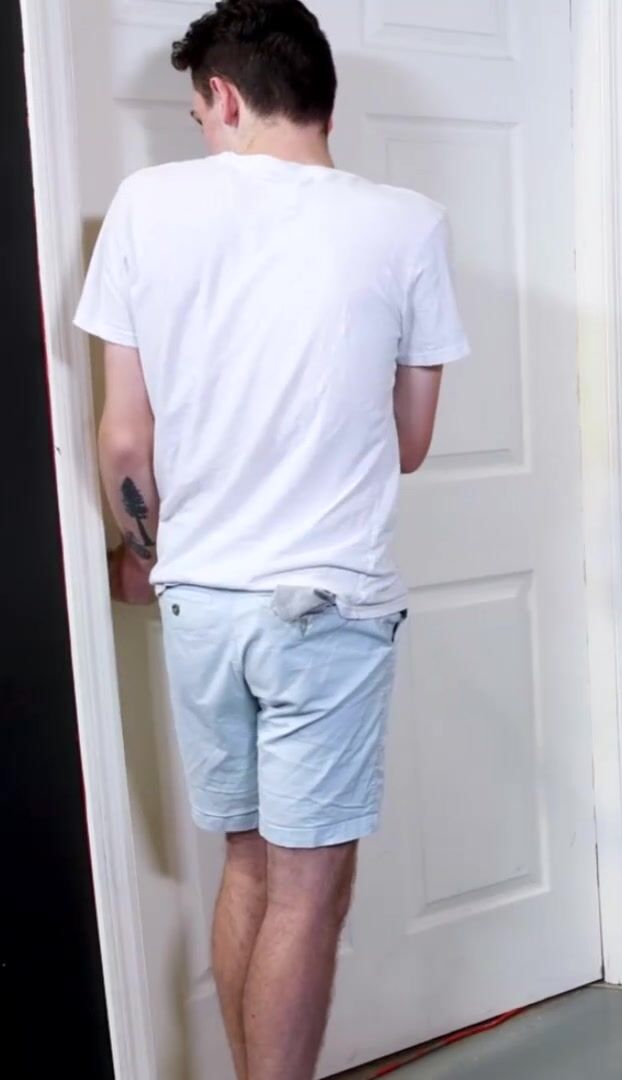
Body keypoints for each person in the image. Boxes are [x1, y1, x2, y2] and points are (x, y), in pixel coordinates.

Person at [76, 2, 466, 1077]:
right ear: (322, 101)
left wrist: (143, 552)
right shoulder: (408, 224)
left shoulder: (146, 207)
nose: (204, 129)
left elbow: (125, 439)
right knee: (307, 889)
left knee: (247, 867)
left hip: (199, 600)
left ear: (226, 96)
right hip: (325, 606)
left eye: (199, 110)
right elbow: (411, 444)